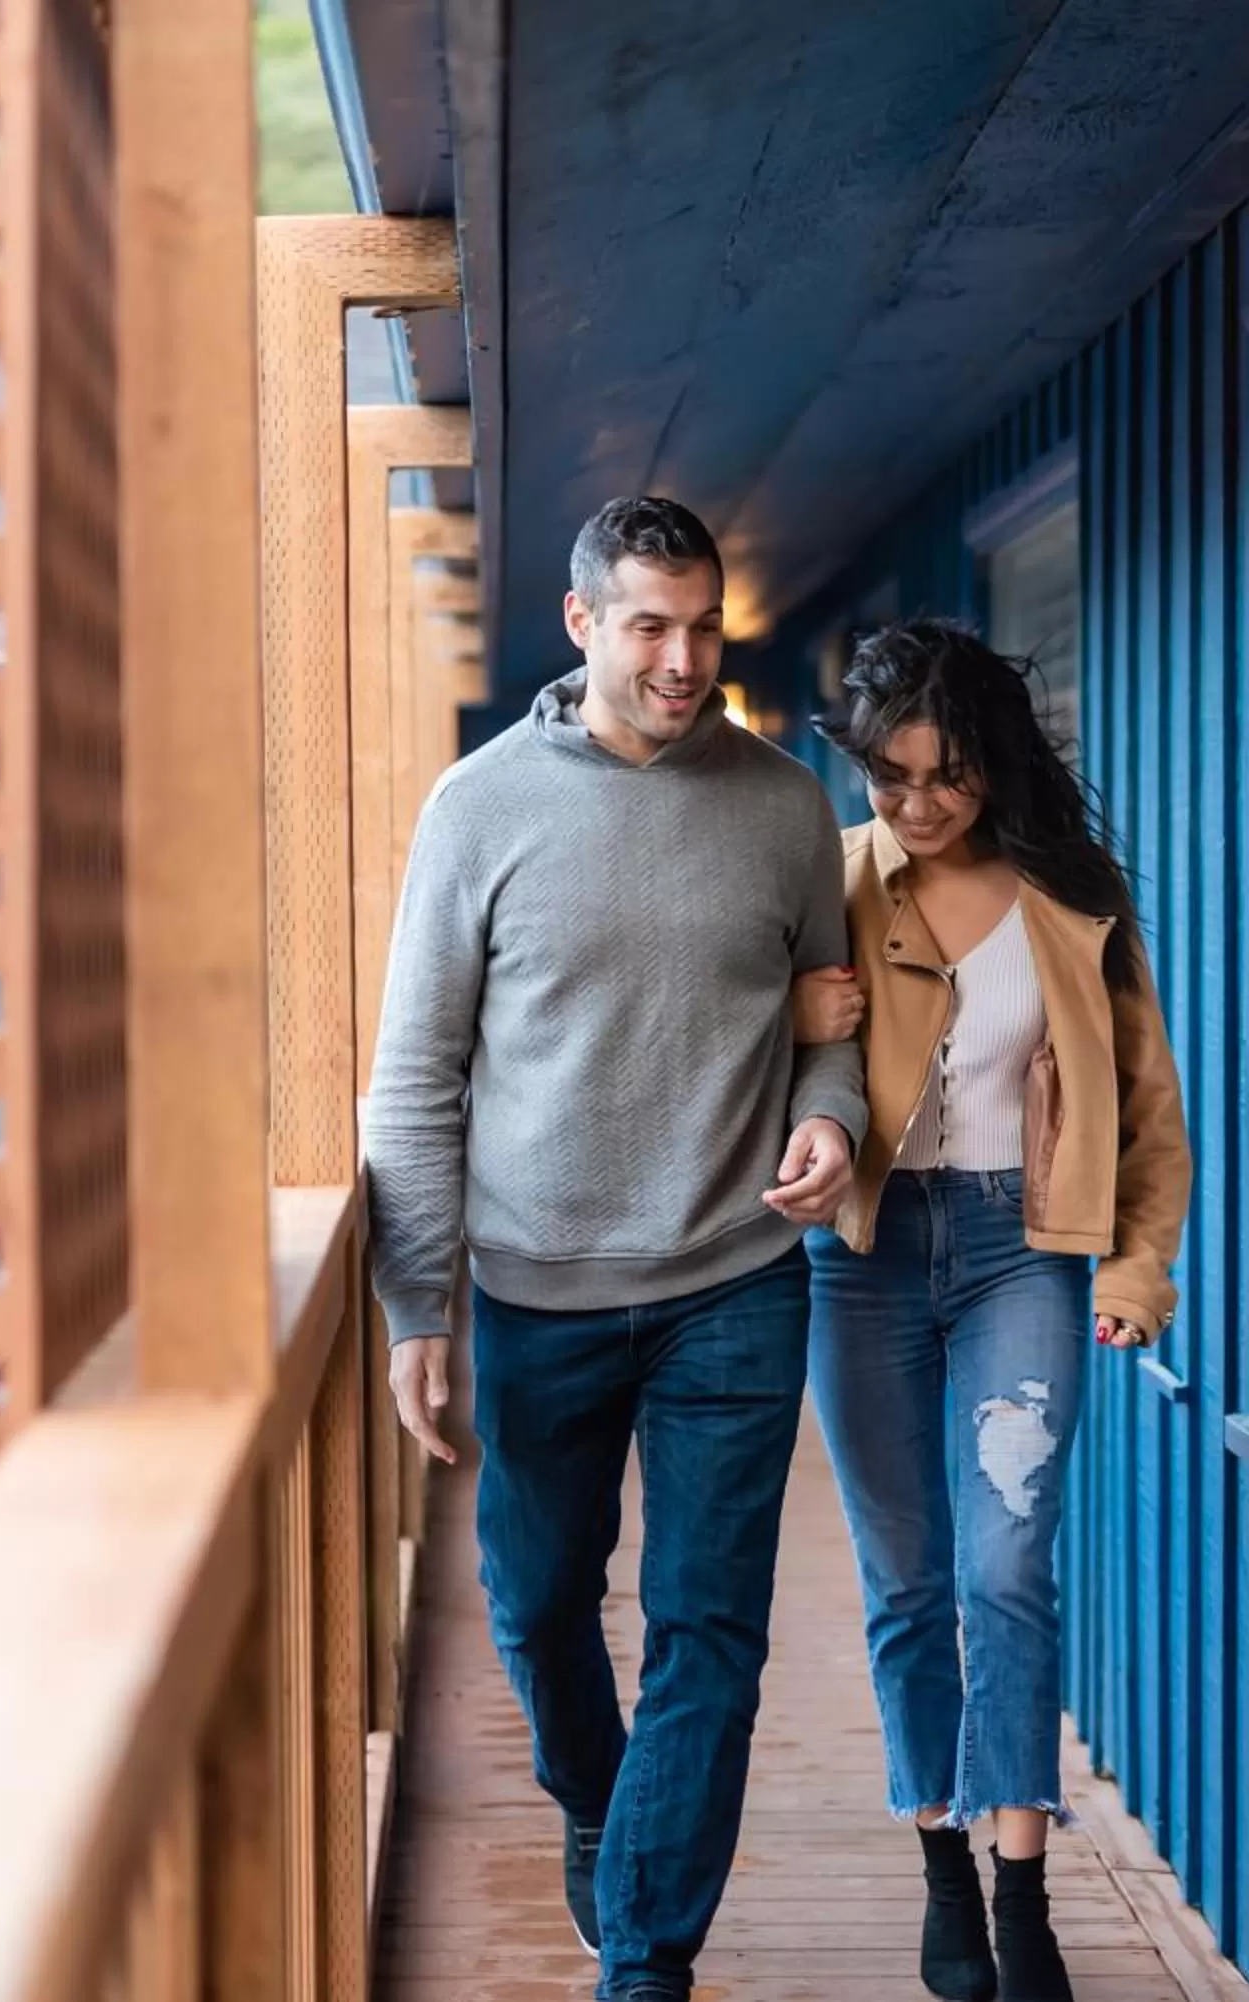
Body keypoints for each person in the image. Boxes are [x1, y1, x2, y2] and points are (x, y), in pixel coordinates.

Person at [361, 496, 866, 2002]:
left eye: (705, 625)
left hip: (737, 1282)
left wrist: (831, 1119)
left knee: (709, 1629)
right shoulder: (477, 809)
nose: (685, 657)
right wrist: (414, 1301)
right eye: (651, 625)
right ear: (582, 623)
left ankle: (645, 1961)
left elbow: (833, 1020)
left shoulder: (784, 803)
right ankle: (601, 1797)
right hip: (538, 1291)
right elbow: (414, 1075)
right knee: (534, 1599)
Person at [788, 617, 1191, 2002]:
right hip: (867, 1253)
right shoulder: (831, 882)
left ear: (993, 758)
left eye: (945, 772)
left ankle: (1025, 1887)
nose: (917, 803)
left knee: (1007, 1567)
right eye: (889, 777)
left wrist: (1139, 1267)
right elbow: (735, 1050)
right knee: (905, 1581)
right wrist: (797, 1016)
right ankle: (942, 1856)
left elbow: (1144, 1099)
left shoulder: (1067, 896)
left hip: (1025, 1246)